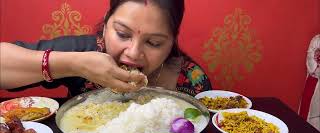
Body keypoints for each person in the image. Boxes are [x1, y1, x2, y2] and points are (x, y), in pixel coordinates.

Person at [0, 0, 211, 97]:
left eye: (154, 43)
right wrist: (75, 65)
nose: (133, 53)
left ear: (172, 40)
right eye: (122, 34)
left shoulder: (192, 79)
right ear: (106, 23)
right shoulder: (84, 52)